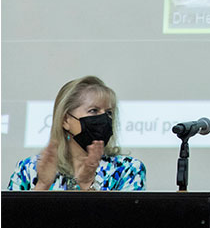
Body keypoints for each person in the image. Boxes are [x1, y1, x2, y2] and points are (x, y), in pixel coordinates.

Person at [8, 76, 145, 191]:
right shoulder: (29, 169)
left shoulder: (127, 169)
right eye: (93, 111)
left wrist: (87, 185)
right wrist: (43, 185)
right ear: (66, 120)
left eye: (109, 113)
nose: (104, 119)